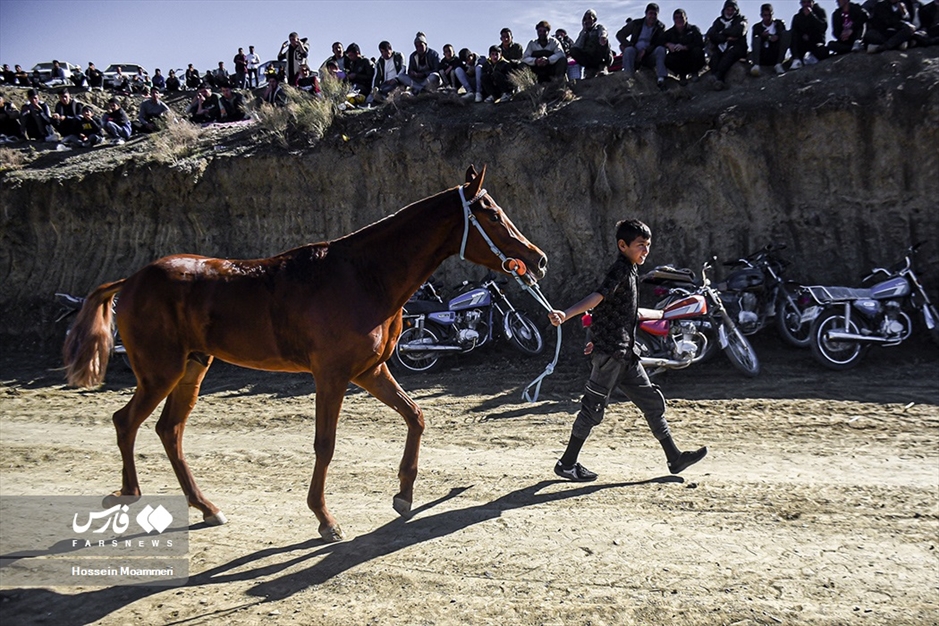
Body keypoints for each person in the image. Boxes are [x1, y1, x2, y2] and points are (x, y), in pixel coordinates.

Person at [548, 219, 708, 482]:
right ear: (623, 246)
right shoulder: (620, 270)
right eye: (640, 246)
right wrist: (565, 314)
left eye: (648, 245)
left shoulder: (632, 271)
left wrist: (662, 314)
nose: (645, 251)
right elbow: (596, 298)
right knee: (592, 409)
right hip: (610, 356)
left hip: (626, 355)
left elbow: (615, 311)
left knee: (651, 402)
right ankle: (566, 464)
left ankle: (675, 458)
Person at [617, 3, 669, 88]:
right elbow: (620, 35)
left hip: (650, 56)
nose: (652, 16)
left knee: (661, 49)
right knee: (628, 50)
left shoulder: (660, 27)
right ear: (646, 13)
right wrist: (629, 45)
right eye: (650, 13)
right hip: (635, 53)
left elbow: (660, 42)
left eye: (655, 14)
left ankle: (661, 77)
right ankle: (629, 79)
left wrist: (646, 51)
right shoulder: (636, 23)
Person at [706, 0, 749, 90]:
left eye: (732, 10)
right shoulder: (718, 21)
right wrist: (725, 38)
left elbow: (739, 31)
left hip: (737, 48)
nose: (729, 12)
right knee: (715, 56)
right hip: (721, 47)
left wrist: (722, 32)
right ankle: (717, 79)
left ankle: (718, 76)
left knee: (730, 54)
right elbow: (711, 34)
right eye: (728, 9)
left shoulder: (741, 19)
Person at [664, 8, 707, 84]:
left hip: (692, 58)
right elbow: (659, 41)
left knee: (697, 51)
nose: (679, 20)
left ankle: (695, 73)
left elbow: (700, 43)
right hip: (679, 60)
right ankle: (682, 76)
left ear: (686, 18)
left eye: (681, 17)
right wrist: (668, 44)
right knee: (669, 58)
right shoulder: (670, 33)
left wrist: (685, 47)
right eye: (676, 18)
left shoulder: (693, 29)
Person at [571, 9, 613, 78]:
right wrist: (583, 31)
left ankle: (603, 68)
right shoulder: (583, 33)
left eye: (589, 18)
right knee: (573, 50)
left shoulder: (599, 28)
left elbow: (603, 32)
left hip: (601, 57)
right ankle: (590, 70)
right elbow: (577, 46)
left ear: (594, 19)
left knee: (603, 41)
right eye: (585, 19)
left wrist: (602, 37)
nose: (587, 21)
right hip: (590, 59)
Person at [750, 3, 789, 75]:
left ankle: (778, 64)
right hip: (763, 54)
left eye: (769, 15)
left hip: (775, 53)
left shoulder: (779, 24)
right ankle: (756, 65)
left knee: (786, 34)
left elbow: (784, 36)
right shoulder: (757, 27)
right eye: (765, 15)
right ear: (761, 15)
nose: (767, 18)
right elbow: (754, 41)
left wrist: (777, 37)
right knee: (756, 38)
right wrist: (762, 36)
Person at [789, 0, 830, 68]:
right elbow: (794, 33)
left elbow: (823, 27)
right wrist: (803, 35)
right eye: (804, 2)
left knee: (823, 51)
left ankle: (812, 58)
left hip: (816, 43)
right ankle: (797, 59)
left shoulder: (820, 12)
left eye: (808, 2)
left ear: (812, 2)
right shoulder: (797, 17)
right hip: (803, 45)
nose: (806, 4)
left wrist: (811, 15)